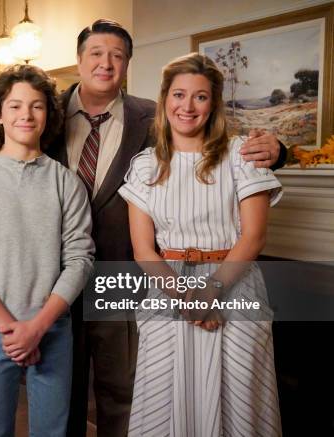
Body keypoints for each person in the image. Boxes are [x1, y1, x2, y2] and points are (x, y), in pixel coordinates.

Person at [0, 19, 287, 437]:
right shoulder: (46, 108)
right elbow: (16, 157)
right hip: (49, 285)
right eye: (96, 53)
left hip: (122, 278)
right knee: (61, 398)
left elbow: (210, 139)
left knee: (123, 394)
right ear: (78, 60)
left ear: (128, 64)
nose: (105, 63)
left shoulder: (152, 116)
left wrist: (277, 150)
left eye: (117, 55)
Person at [120, 52, 282, 436]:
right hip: (167, 289)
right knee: (162, 405)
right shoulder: (145, 165)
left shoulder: (241, 156)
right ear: (164, 100)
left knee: (239, 405)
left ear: (214, 104)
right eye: (178, 94)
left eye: (200, 96)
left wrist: (210, 292)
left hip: (235, 284)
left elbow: (254, 236)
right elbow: (144, 251)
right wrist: (185, 299)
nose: (187, 106)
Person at [0, 64, 95, 437]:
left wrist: (38, 326)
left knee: (52, 430)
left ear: (49, 114)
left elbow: (80, 258)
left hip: (53, 327)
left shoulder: (67, 183)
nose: (26, 115)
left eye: (37, 106)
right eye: (14, 106)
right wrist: (11, 328)